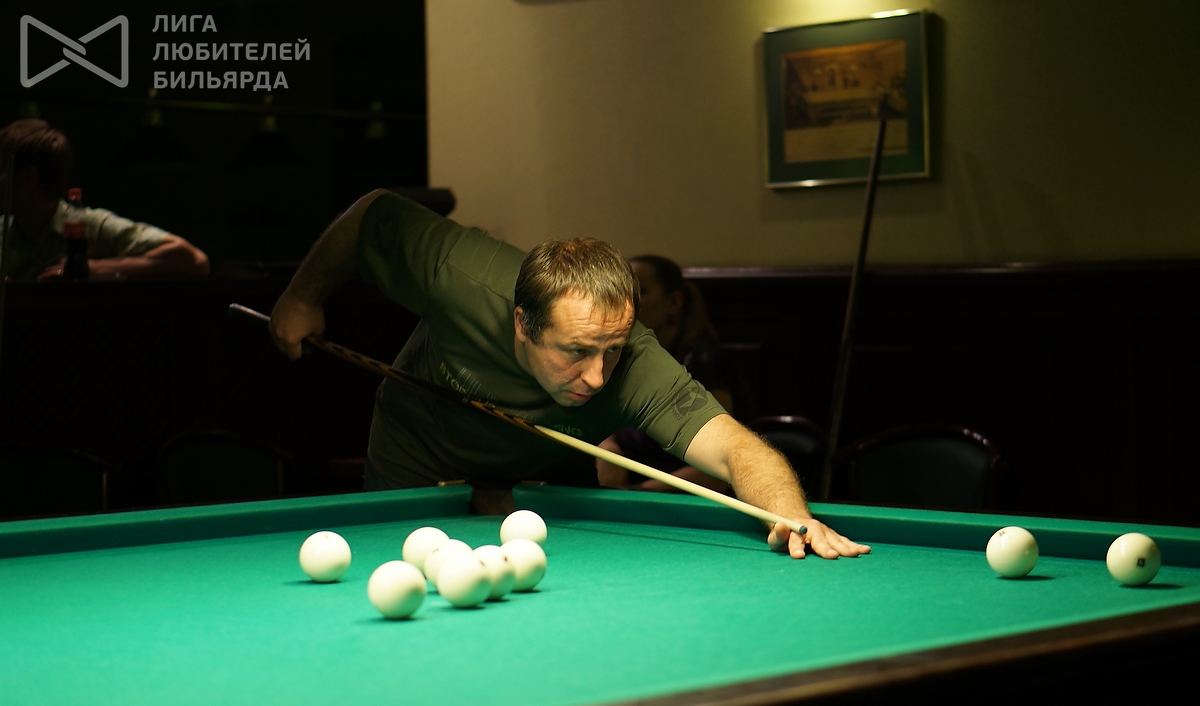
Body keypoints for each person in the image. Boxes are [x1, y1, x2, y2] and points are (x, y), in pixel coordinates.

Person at [269, 190, 869, 560]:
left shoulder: (637, 365)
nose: (598, 377)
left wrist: (790, 512)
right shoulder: (459, 273)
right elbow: (372, 216)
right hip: (419, 455)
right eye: (576, 351)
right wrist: (303, 296)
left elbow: (739, 448)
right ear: (522, 323)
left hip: (545, 478)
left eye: (612, 350)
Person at [597, 255, 750, 494]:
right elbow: (608, 430)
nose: (625, 303)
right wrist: (608, 447)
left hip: (687, 502)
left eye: (640, 292)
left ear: (674, 302)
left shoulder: (703, 360)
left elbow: (722, 465)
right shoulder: (621, 356)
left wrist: (640, 491)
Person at [0, 119, 209, 281]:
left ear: (29, 177)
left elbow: (193, 260)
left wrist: (92, 268)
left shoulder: (90, 228)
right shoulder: (4, 231)